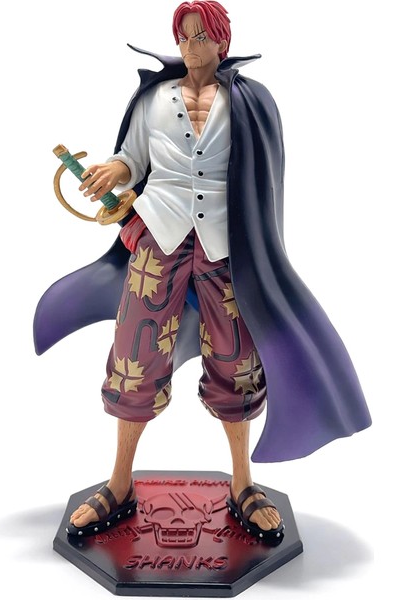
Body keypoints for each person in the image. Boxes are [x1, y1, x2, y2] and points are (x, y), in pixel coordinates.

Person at [34, 1, 371, 541]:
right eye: (183, 37)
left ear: (221, 41)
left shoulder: (249, 100)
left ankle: (243, 484)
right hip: (158, 235)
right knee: (135, 354)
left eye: (200, 36)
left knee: (236, 358)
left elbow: (264, 178)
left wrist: (261, 247)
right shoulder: (154, 98)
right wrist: (114, 169)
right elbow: (133, 158)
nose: (190, 47)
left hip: (225, 245)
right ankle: (119, 483)